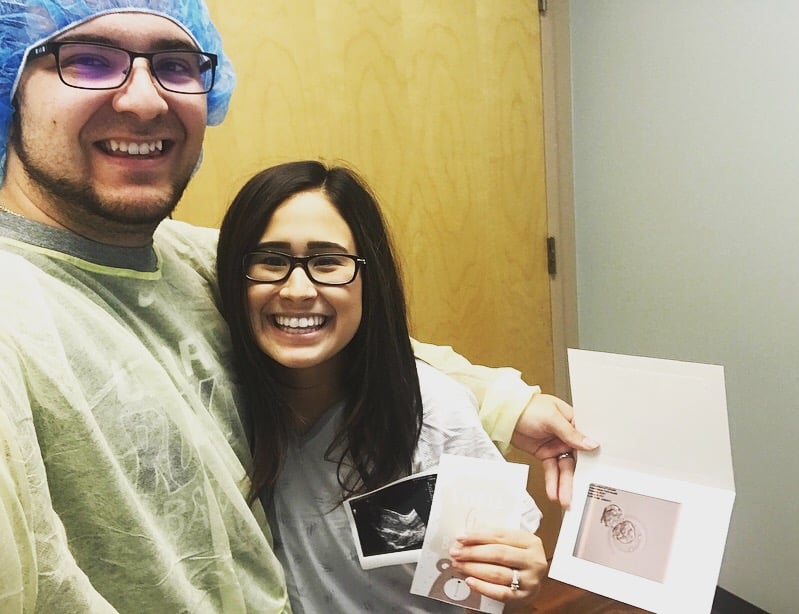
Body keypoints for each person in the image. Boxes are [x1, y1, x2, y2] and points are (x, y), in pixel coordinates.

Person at [0, 0, 596, 612]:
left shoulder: (191, 259)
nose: (145, 100)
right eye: (89, 61)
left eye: (176, 65)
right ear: (11, 86)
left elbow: (352, 331)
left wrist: (505, 403)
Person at [216, 160, 548, 612]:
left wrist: (517, 576)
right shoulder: (224, 412)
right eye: (271, 261)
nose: (297, 290)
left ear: (368, 280)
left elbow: (499, 589)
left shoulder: (431, 412)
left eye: (327, 262)